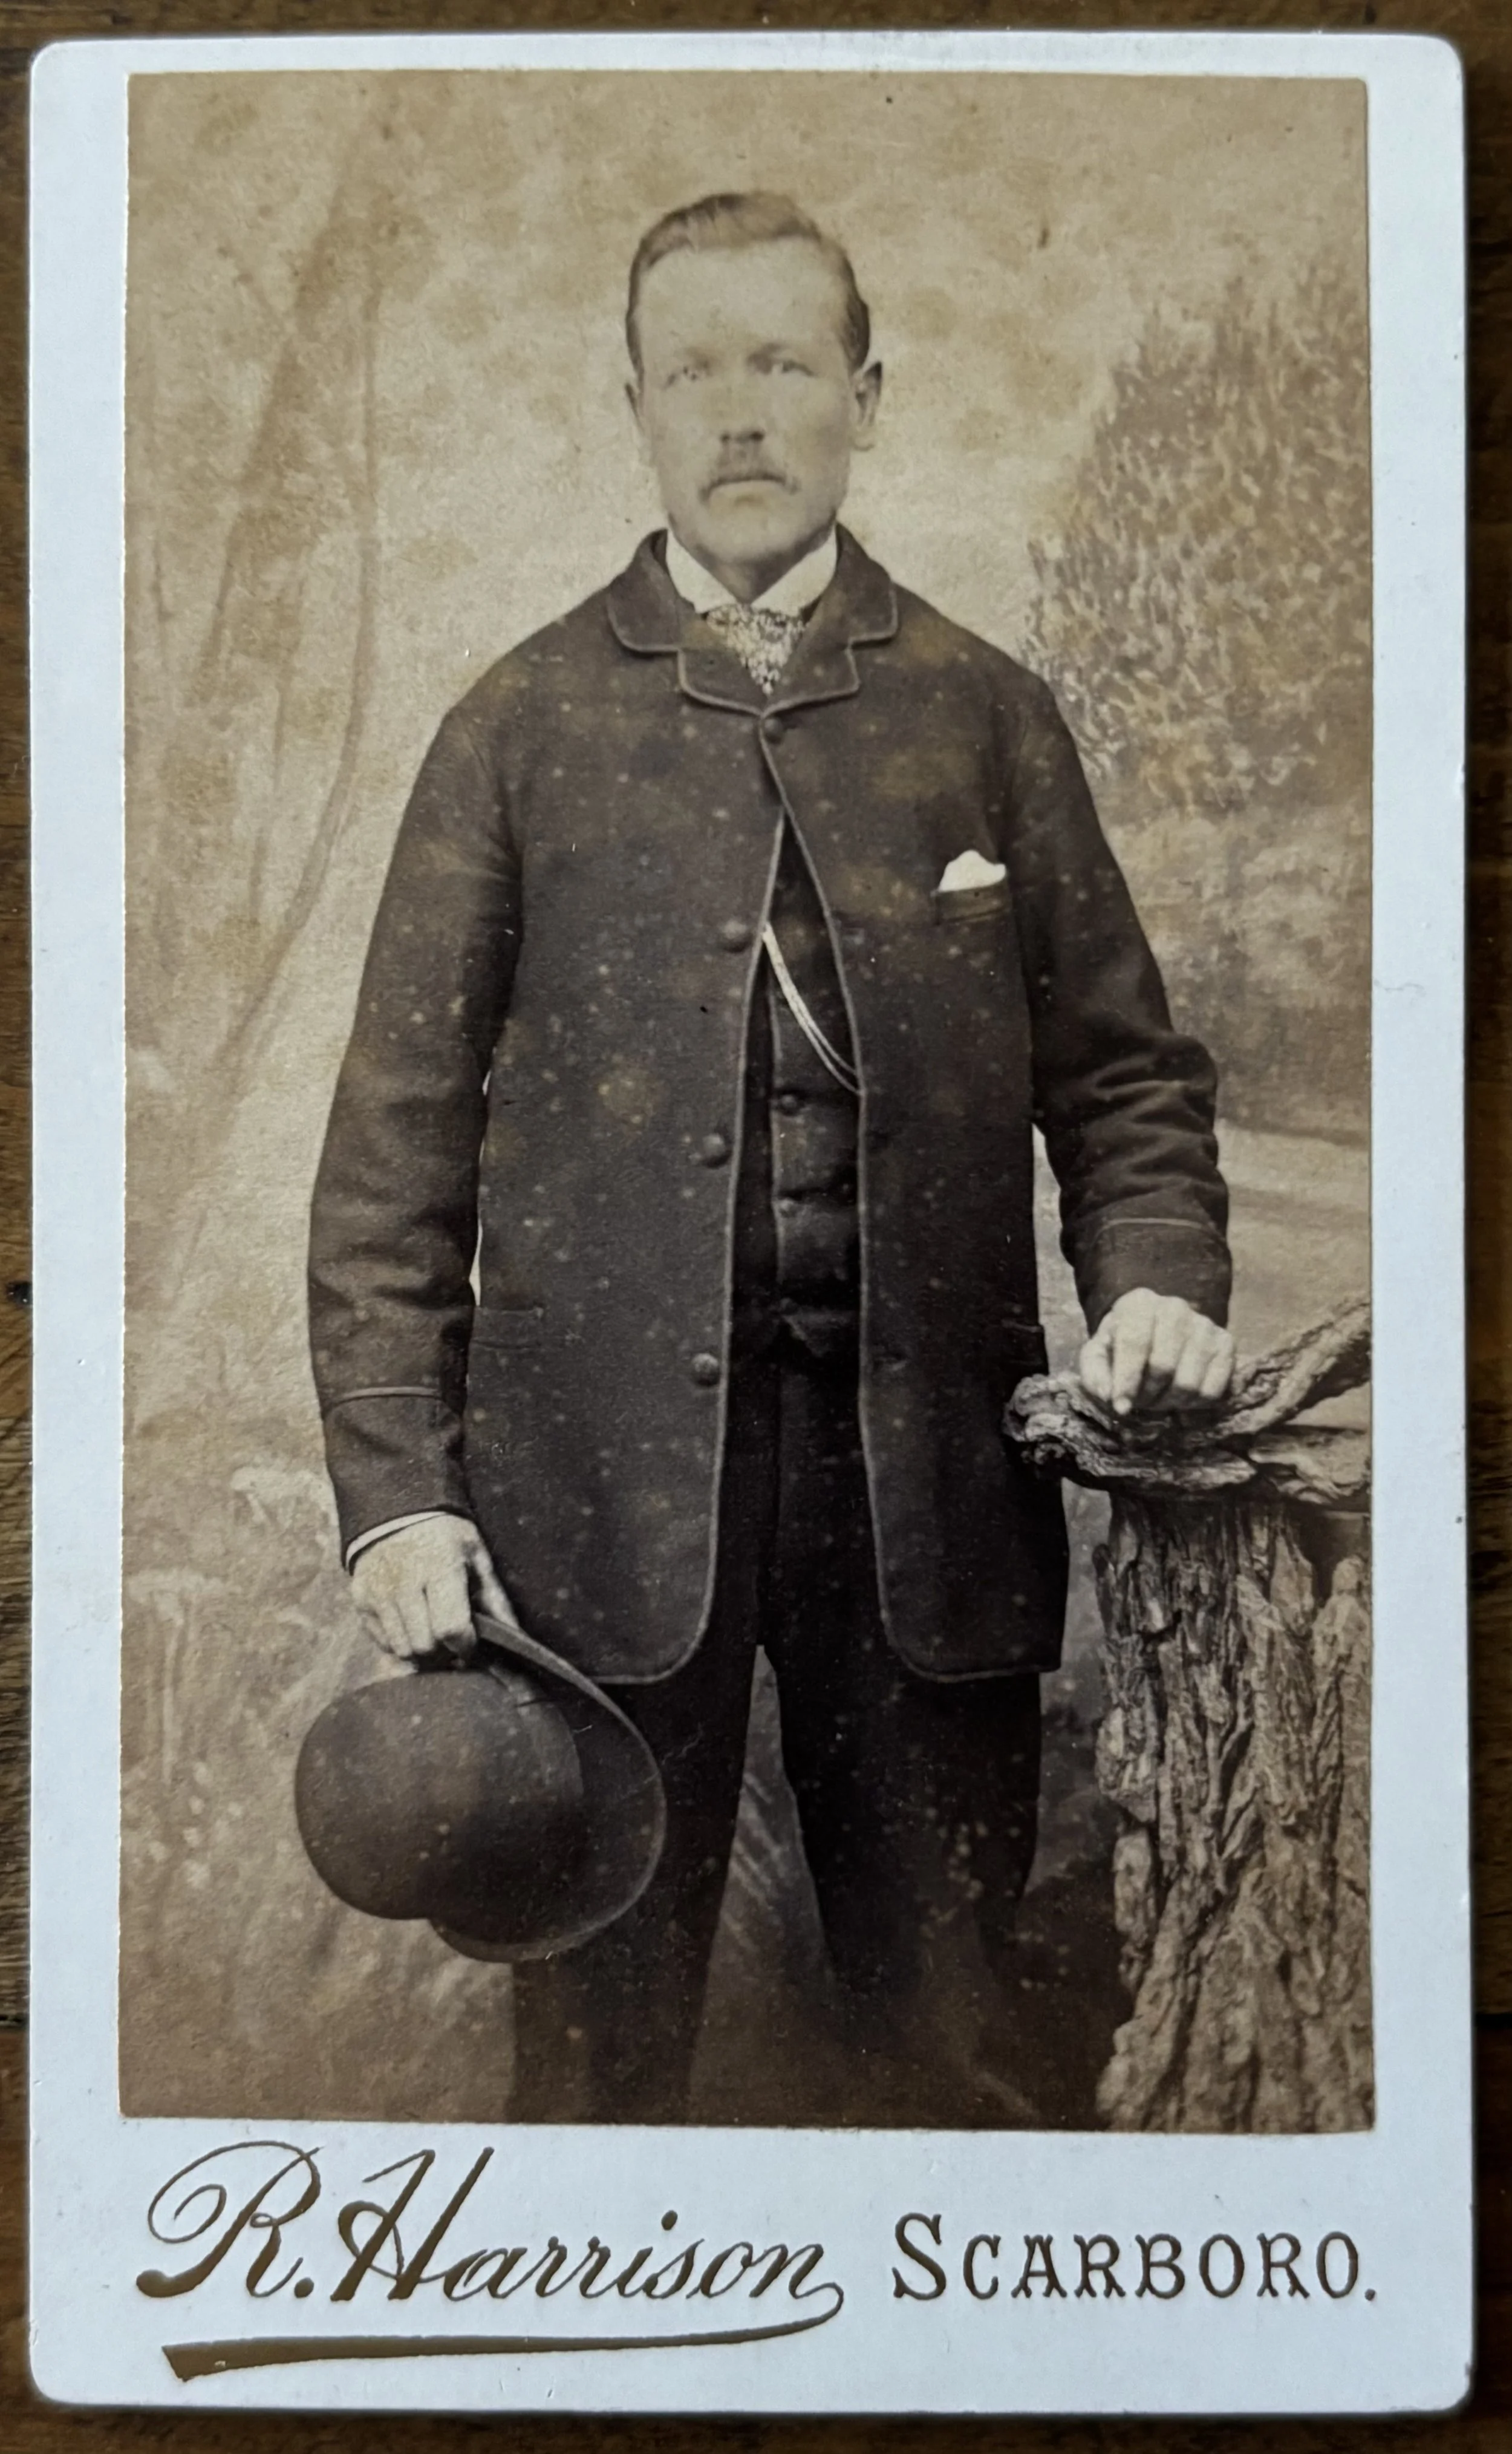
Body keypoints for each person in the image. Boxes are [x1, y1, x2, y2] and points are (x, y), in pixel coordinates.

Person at [308, 191, 1234, 2125]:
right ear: (635, 408)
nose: (740, 415)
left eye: (785, 364)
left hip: (928, 1511)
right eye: (694, 370)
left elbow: (1128, 1078)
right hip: (589, 1531)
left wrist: (1154, 1278)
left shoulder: (985, 714)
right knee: (590, 2073)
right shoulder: (518, 724)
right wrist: (402, 1501)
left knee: (962, 2048)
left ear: (863, 398)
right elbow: (391, 1163)